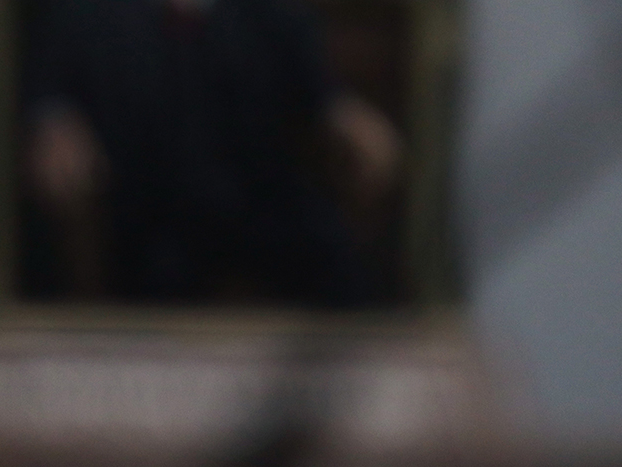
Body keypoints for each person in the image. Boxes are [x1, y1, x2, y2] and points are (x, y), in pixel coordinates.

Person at [23, 0, 403, 306]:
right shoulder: (84, 12)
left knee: (343, 273)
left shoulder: (273, 12)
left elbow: (322, 97)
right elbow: (52, 98)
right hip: (146, 210)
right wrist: (56, 130)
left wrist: (357, 126)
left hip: (260, 200)